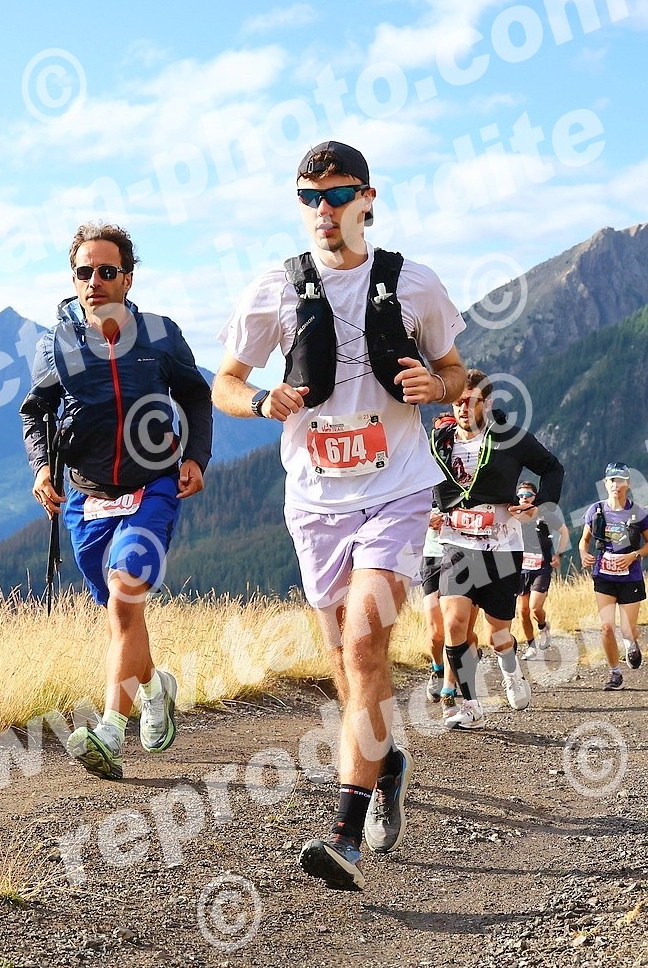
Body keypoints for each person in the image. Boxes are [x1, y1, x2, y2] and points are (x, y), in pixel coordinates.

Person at [212, 140, 465, 890]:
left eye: (338, 193)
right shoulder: (274, 288)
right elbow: (225, 382)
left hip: (397, 490)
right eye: (309, 197)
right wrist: (261, 400)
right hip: (315, 501)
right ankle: (387, 763)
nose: (324, 209)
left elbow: (456, 370)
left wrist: (435, 386)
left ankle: (345, 836)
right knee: (346, 668)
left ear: (367, 199)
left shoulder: (414, 283)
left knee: (364, 645)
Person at [20, 223, 212, 780]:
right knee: (121, 616)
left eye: (107, 271)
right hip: (86, 498)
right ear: (73, 278)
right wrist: (42, 469)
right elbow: (35, 411)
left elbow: (195, 394)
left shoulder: (159, 336)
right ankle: (154, 688)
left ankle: (108, 730)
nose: (95, 281)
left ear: (128, 278)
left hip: (153, 484)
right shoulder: (56, 345)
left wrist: (196, 456)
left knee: (126, 599)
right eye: (84, 272)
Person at [430, 371, 564, 728]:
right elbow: (414, 479)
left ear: (487, 403)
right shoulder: (439, 441)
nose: (463, 408)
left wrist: (540, 507)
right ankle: (470, 703)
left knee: (498, 633)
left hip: (502, 546)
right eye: (457, 402)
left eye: (470, 401)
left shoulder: (509, 438)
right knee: (454, 623)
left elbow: (552, 467)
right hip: (457, 543)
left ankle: (510, 671)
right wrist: (428, 511)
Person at [578, 463, 648, 691]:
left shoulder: (638, 512)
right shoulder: (596, 510)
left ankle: (631, 643)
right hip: (604, 575)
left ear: (628, 484)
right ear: (605, 484)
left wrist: (634, 555)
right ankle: (615, 673)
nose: (616, 485)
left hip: (630, 577)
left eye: (621, 480)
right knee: (606, 627)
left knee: (627, 629)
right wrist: (584, 554)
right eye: (612, 480)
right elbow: (584, 541)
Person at [515, 481, 567, 660]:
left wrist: (559, 554)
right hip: (521, 569)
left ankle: (543, 626)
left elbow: (564, 532)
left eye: (528, 495)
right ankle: (531, 646)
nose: (524, 498)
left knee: (535, 608)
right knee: (523, 611)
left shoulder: (545, 515)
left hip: (541, 567)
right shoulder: (513, 516)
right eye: (521, 495)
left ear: (535, 497)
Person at [420, 496, 445, 702]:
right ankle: (438, 669)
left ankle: (454, 683)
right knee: (436, 633)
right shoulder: (423, 484)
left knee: (460, 629)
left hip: (463, 556)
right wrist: (425, 519)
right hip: (432, 558)